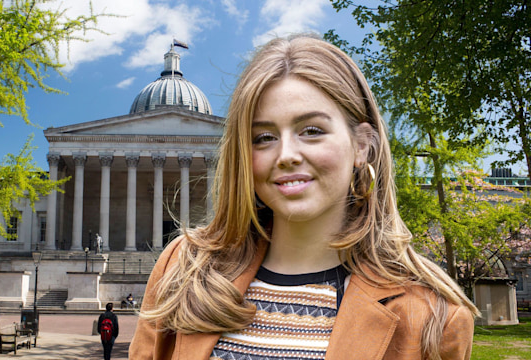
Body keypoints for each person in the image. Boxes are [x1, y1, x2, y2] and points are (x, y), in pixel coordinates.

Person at [129, 34, 479, 360]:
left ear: (361, 145)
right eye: (263, 137)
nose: (286, 155)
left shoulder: (435, 314)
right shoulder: (184, 266)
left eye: (312, 131)